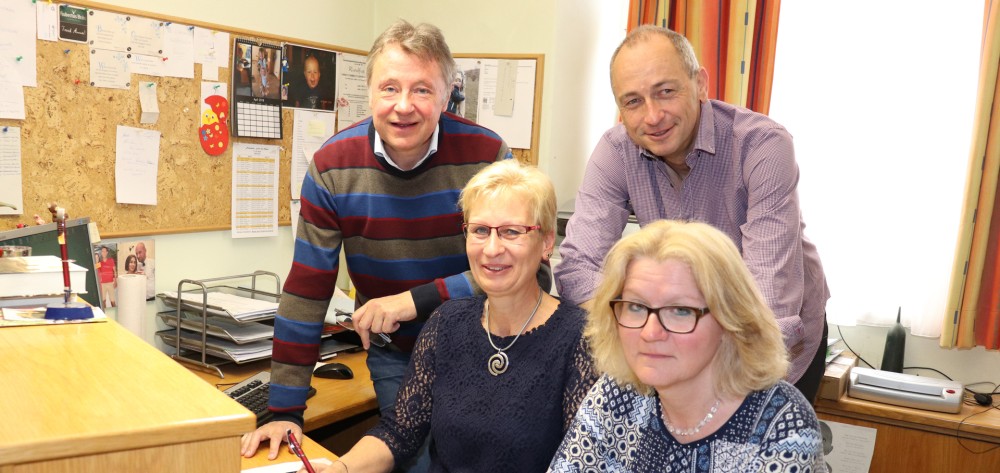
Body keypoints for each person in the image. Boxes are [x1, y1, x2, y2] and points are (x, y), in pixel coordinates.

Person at [241, 20, 518, 472]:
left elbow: (523, 270)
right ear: (368, 91)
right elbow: (308, 289)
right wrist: (286, 411)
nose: (403, 106)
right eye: (389, 88)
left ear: (447, 94)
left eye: (422, 90)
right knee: (415, 463)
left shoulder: (487, 157)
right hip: (398, 354)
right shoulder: (332, 167)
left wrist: (417, 300)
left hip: (483, 349)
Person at [554, 24, 830, 403]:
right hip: (672, 347)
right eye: (632, 102)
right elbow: (576, 270)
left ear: (700, 84)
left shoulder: (763, 146)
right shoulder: (616, 151)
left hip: (767, 350)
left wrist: (666, 333)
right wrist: (645, 327)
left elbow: (770, 306)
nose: (652, 116)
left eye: (665, 92)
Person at [322, 160, 596, 472]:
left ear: (546, 242)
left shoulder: (581, 338)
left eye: (511, 232)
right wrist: (338, 469)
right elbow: (399, 432)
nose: (492, 249)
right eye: (480, 230)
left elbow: (586, 463)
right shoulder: (446, 323)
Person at [548, 220, 826, 472]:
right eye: (635, 306)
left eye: (679, 310)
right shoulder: (616, 393)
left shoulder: (782, 424)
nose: (650, 332)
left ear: (730, 320)